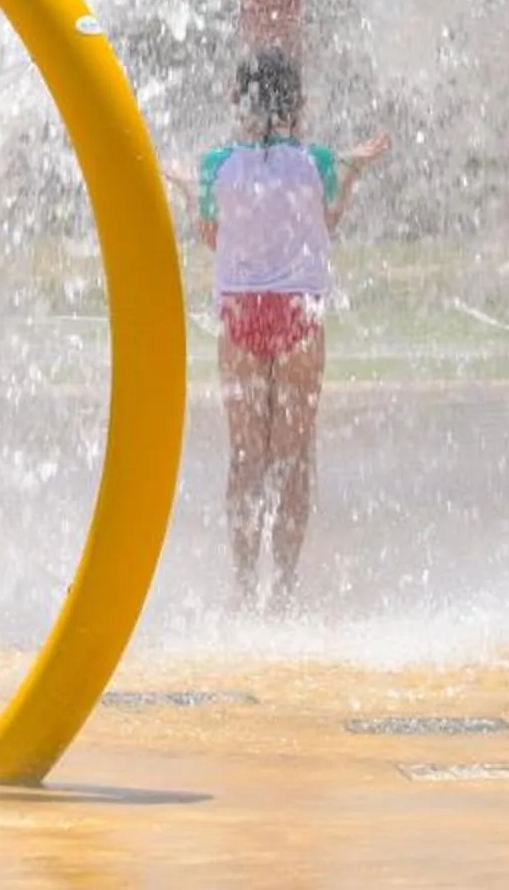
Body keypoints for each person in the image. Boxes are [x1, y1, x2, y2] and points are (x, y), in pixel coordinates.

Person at [196, 49, 389, 610]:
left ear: (239, 99)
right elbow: (325, 220)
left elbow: (212, 234)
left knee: (244, 457)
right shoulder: (318, 163)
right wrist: (352, 169)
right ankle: (281, 591)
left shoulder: (215, 166)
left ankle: (240, 584)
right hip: (299, 316)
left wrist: (190, 192)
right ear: (298, 104)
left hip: (240, 317)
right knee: (293, 456)